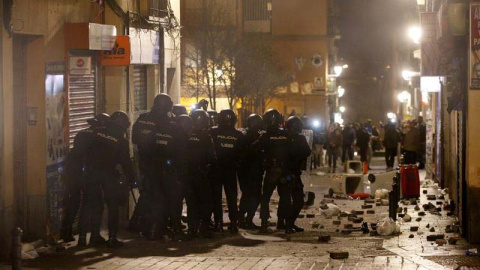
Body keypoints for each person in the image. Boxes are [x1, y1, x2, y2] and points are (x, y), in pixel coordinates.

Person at [82, 111, 135, 248]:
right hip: (108, 175)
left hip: (90, 173)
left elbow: (84, 151)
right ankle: (112, 238)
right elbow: (126, 162)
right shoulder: (121, 141)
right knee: (113, 206)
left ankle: (91, 237)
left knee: (93, 205)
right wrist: (132, 178)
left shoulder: (95, 133)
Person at [62, 113, 109, 243]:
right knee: (96, 205)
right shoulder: (101, 136)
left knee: (74, 202)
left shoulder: (81, 133)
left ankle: (68, 233)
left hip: (73, 173)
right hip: (89, 174)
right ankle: (93, 236)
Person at [130, 94, 171, 234]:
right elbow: (166, 142)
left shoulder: (142, 118)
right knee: (158, 194)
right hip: (159, 163)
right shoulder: (164, 121)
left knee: (147, 192)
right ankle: (152, 226)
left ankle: (137, 222)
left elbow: (134, 139)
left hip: (143, 161)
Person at [255, 109, 294, 234]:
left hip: (271, 170)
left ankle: (264, 224)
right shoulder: (287, 136)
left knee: (265, 197)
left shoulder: (265, 136)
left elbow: (253, 149)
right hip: (285, 170)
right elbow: (294, 153)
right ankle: (286, 225)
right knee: (285, 198)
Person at [210, 109, 245, 233]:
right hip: (230, 170)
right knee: (231, 197)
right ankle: (233, 223)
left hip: (216, 169)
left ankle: (218, 223)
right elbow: (242, 155)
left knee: (216, 197)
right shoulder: (238, 135)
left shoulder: (213, 132)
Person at [185, 110, 216, 238]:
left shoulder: (186, 135)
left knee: (191, 202)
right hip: (202, 173)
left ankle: (192, 228)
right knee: (204, 201)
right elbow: (211, 156)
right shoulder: (206, 137)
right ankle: (203, 227)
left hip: (188, 173)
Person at [284, 116, 311, 232]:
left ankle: (287, 224)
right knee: (298, 199)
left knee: (285, 199)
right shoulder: (299, 139)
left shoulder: (283, 137)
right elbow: (307, 152)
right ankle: (288, 224)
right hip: (291, 173)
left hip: (284, 172)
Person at [238, 114, 264, 230]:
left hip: (256, 169)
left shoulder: (260, 136)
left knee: (255, 196)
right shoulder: (244, 136)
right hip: (246, 169)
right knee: (248, 195)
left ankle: (248, 218)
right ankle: (242, 218)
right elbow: (244, 153)